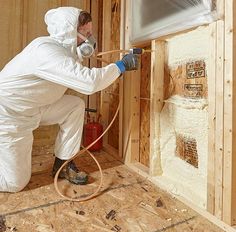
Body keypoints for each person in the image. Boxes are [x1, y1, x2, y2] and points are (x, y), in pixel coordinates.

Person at [0, 7, 138, 192]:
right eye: (86, 33)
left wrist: (81, 53)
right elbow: (89, 83)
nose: (91, 39)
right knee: (14, 183)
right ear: (68, 32)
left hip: (32, 108)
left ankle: (63, 165)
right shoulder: (45, 51)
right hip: (9, 116)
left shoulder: (60, 51)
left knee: (74, 106)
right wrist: (121, 66)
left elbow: (67, 63)